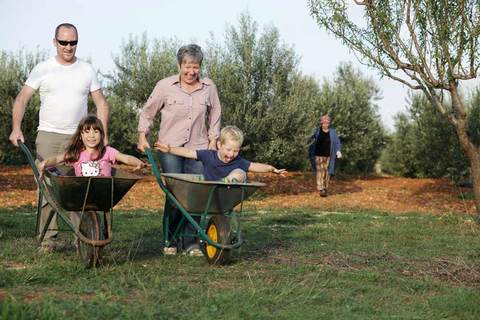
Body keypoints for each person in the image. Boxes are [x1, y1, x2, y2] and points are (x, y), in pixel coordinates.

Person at [8, 23, 110, 253]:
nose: (68, 47)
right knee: (47, 187)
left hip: (79, 138)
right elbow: (22, 99)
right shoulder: (43, 68)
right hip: (48, 136)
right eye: (63, 42)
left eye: (73, 42)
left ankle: (82, 237)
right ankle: (48, 240)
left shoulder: (86, 69)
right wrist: (16, 128)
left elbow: (101, 103)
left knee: (79, 187)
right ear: (55, 42)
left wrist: (103, 136)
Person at [137, 44, 221, 256]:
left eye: (196, 67)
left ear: (200, 67)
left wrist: (213, 141)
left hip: (198, 148)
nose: (191, 72)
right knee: (175, 194)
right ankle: (171, 240)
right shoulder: (165, 86)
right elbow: (148, 113)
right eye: (187, 67)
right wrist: (142, 135)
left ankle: (192, 242)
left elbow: (215, 116)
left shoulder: (208, 87)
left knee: (195, 193)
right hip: (169, 148)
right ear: (179, 65)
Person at [155, 125, 286, 183]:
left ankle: (226, 182)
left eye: (236, 151)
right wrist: (170, 149)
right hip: (209, 191)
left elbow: (255, 166)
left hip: (228, 192)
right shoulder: (208, 155)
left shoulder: (238, 160)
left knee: (241, 172)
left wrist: (272, 169)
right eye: (228, 149)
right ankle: (220, 183)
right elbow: (189, 152)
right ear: (219, 145)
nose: (232, 154)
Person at [37, 115, 145, 178]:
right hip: (82, 193)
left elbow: (125, 158)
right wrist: (44, 163)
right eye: (87, 131)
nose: (91, 135)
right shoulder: (77, 153)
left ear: (101, 134)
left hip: (103, 192)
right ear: (80, 135)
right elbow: (57, 158)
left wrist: (137, 162)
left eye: (96, 131)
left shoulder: (107, 152)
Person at [308, 115, 342, 197]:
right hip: (318, 155)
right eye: (324, 123)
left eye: (327, 123)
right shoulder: (316, 131)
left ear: (329, 123)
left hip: (329, 156)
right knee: (320, 171)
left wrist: (338, 151)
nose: (325, 124)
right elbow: (310, 141)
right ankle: (321, 188)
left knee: (327, 172)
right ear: (321, 123)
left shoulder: (332, 132)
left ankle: (325, 187)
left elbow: (337, 142)